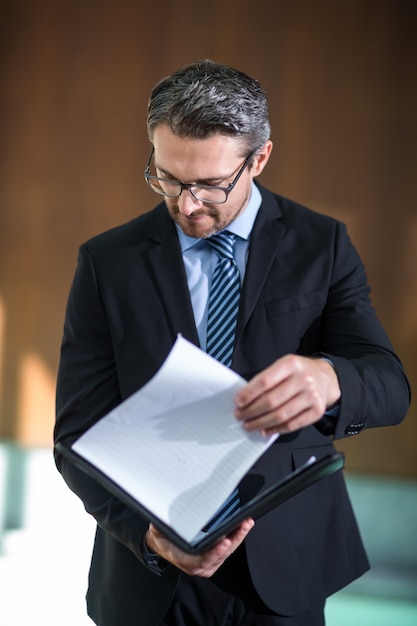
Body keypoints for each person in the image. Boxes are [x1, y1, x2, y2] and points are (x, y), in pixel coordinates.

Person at [54, 60, 411, 626]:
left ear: (260, 158)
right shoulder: (107, 262)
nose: (188, 204)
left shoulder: (323, 245)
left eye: (211, 185)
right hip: (150, 584)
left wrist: (331, 378)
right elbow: (75, 437)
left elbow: (391, 385)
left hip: (286, 568)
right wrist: (148, 537)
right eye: (168, 178)